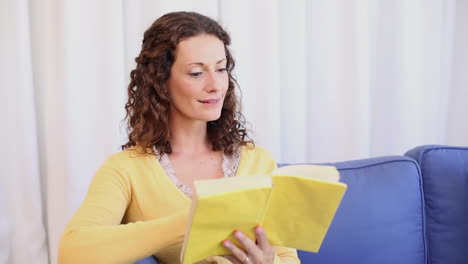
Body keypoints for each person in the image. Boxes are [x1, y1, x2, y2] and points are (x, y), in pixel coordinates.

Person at [58, 11, 300, 264]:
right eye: (196, 73)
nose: (216, 85)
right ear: (160, 82)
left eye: (220, 69)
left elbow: (289, 258)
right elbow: (73, 252)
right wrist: (191, 222)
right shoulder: (126, 169)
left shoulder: (258, 161)